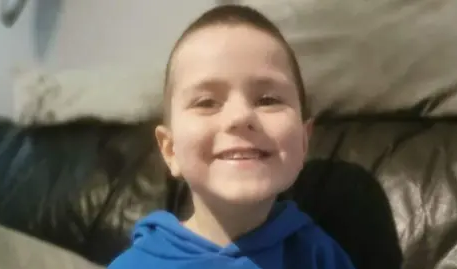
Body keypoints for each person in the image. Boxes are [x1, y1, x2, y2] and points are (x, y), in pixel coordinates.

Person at [108, 4, 356, 269]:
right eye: (206, 102)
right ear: (170, 151)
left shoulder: (320, 257)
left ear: (304, 142)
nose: (240, 117)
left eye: (268, 99)